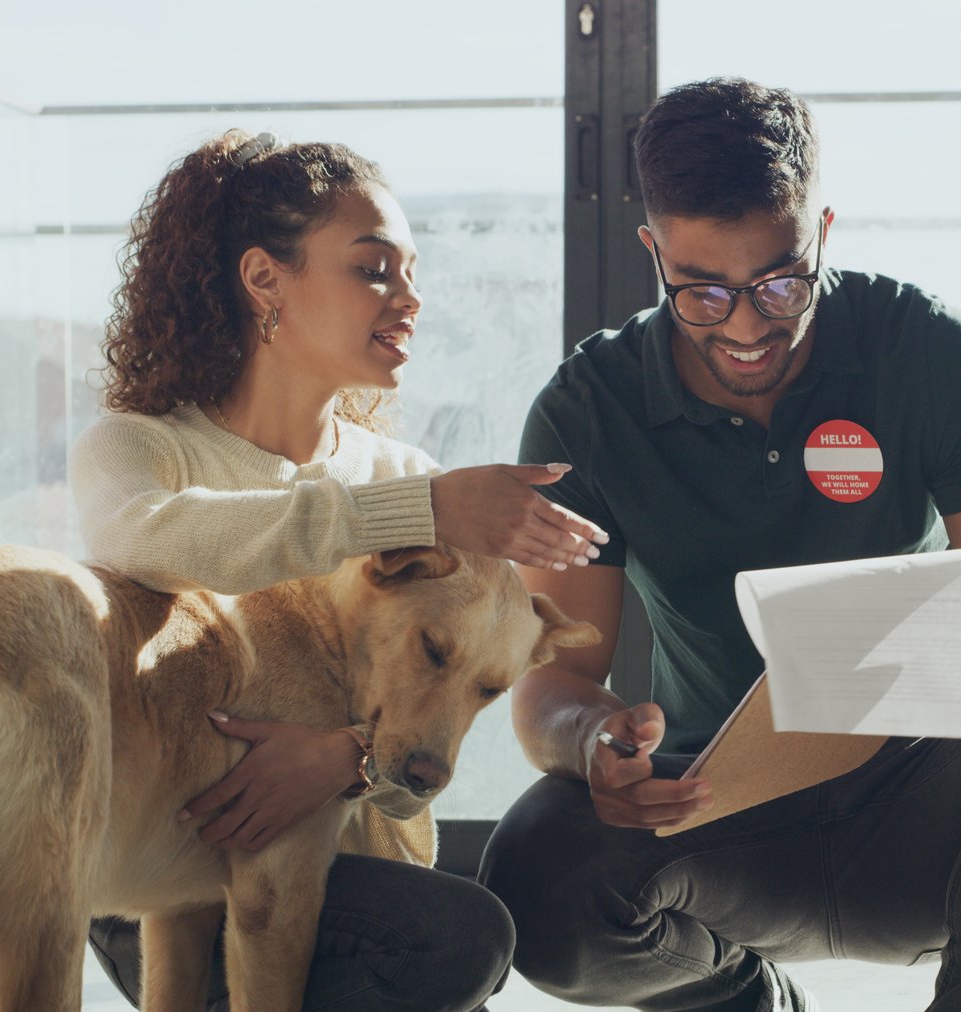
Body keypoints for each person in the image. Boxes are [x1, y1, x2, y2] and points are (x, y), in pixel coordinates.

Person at [478, 79, 961, 1011]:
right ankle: (744, 1001)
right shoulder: (586, 410)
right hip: (718, 817)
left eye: (782, 281)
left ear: (823, 229)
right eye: (702, 292)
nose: (749, 325)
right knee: (534, 868)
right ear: (652, 253)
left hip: (923, 806)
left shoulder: (926, 348)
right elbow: (547, 686)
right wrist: (590, 738)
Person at [67, 129, 608, 1012]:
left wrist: (343, 762)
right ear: (264, 280)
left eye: (412, 272)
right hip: (163, 865)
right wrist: (419, 513)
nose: (410, 299)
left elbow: (407, 799)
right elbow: (147, 544)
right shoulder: (136, 447)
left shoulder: (402, 475)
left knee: (459, 936)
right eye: (374, 270)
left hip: (353, 893)